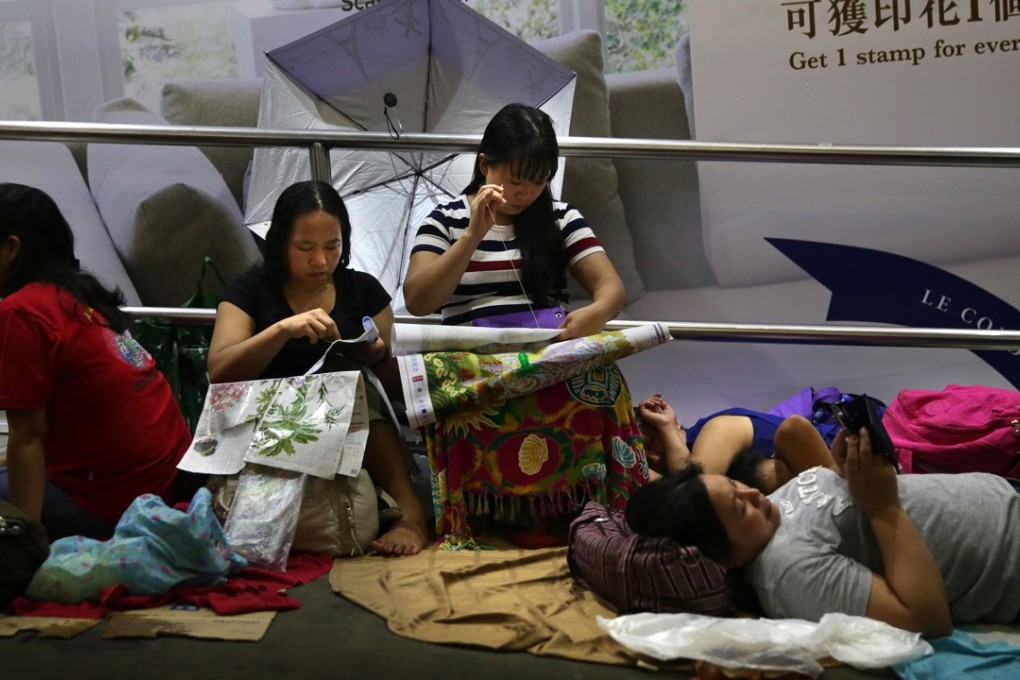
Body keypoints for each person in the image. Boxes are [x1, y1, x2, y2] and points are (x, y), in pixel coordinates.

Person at [401, 103, 648, 546]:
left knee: (602, 380)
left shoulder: (559, 218)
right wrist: (473, 234)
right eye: (515, 179)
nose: (526, 192)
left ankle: (598, 504)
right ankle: (490, 510)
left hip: (545, 352)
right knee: (459, 393)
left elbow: (610, 287)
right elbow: (419, 300)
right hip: (473, 360)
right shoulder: (445, 219)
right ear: (484, 165)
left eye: (539, 180)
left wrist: (593, 315)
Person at [207, 179, 429, 556]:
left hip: (346, 427)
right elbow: (221, 371)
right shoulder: (249, 290)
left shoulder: (363, 290)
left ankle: (412, 516)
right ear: (280, 245)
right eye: (305, 248)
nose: (321, 261)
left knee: (359, 386)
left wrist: (374, 355)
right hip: (267, 424)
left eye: (333, 246)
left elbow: (397, 383)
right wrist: (281, 330)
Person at [626, 427, 1020, 637]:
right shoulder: (787, 570)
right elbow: (926, 619)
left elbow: (800, 442)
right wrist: (884, 508)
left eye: (736, 486)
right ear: (730, 557)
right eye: (739, 505)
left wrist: (844, 464)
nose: (752, 493)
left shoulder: (768, 518)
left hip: (1007, 495)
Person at [0, 183, 192, 540]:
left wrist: (26, 546)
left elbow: (27, 437)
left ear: (11, 248)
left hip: (110, 508)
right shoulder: (76, 294)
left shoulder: (20, 312)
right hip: (166, 487)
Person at [637, 394, 839, 494]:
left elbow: (696, 490)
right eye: (646, 461)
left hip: (840, 468)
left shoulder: (718, 427)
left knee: (767, 472)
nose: (654, 458)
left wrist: (667, 427)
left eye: (650, 444)